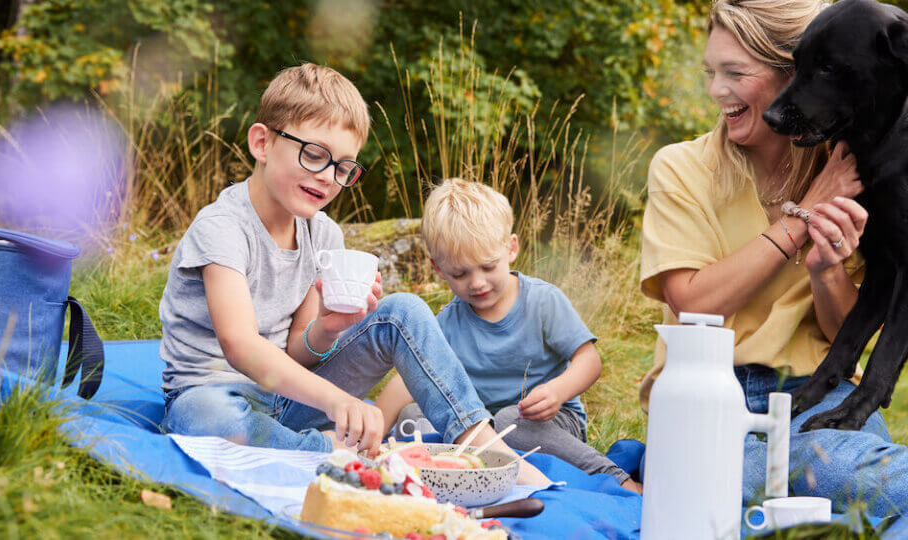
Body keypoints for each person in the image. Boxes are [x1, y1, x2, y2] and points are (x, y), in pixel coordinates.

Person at [157, 63, 548, 485]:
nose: (327, 177)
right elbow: (240, 346)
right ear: (262, 142)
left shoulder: (323, 233)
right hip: (214, 395)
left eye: (343, 167)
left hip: (288, 399)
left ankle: (482, 443)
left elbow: (296, 353)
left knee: (402, 312)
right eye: (314, 154)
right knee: (204, 417)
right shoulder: (222, 227)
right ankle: (331, 450)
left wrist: (327, 329)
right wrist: (337, 400)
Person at [640, 0, 908, 521]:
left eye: (735, 73)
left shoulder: (852, 167)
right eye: (711, 73)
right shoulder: (680, 168)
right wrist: (801, 218)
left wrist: (826, 271)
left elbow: (845, 335)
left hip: (820, 392)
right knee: (847, 479)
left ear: (798, 76)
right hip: (713, 398)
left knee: (831, 480)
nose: (718, 90)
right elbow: (694, 302)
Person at [376, 178, 641, 493]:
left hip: (546, 423)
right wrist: (374, 432)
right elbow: (408, 380)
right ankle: (443, 477)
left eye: (488, 267)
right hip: (480, 430)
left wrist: (558, 391)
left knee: (508, 423)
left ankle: (618, 481)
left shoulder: (542, 301)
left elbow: (589, 360)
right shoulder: (447, 322)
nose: (477, 283)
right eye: (459, 274)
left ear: (511, 248)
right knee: (412, 415)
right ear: (438, 268)